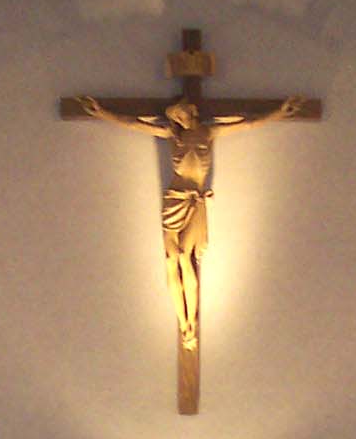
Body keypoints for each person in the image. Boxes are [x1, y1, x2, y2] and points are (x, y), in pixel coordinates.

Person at [74, 93, 308, 351]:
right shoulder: (173, 136)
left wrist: (279, 112)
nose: (181, 118)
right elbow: (133, 124)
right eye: (178, 115)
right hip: (175, 201)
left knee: (188, 259)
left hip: (196, 202)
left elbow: (248, 124)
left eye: (183, 113)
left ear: (191, 112)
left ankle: (190, 324)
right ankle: (182, 319)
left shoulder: (209, 132)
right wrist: (102, 112)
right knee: (171, 259)